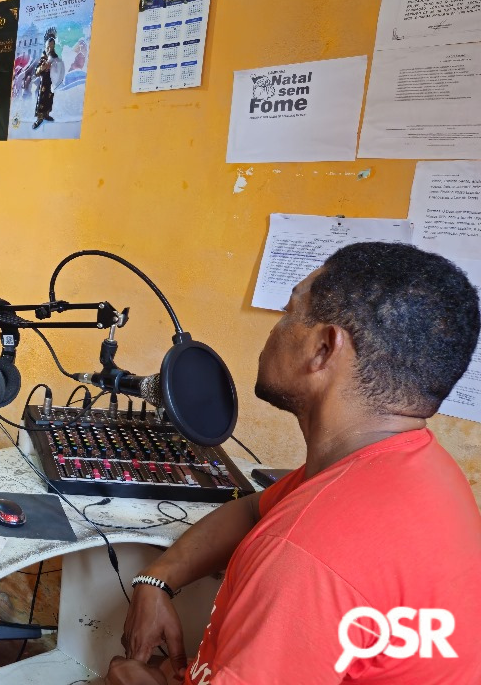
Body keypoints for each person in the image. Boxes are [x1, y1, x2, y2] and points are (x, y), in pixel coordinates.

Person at [107, 242, 481, 684]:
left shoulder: (305, 553)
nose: (276, 329)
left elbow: (301, 549)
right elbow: (254, 509)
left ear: (323, 348)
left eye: (288, 312)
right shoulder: (413, 466)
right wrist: (158, 579)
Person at [32, 28, 64, 129]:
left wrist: (55, 66)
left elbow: (58, 67)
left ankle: (46, 114)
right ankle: (39, 118)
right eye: (48, 46)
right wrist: (42, 68)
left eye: (52, 46)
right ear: (46, 46)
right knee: (42, 99)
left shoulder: (55, 57)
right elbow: (37, 72)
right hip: (44, 83)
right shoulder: (43, 58)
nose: (50, 48)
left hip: (51, 82)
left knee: (49, 98)